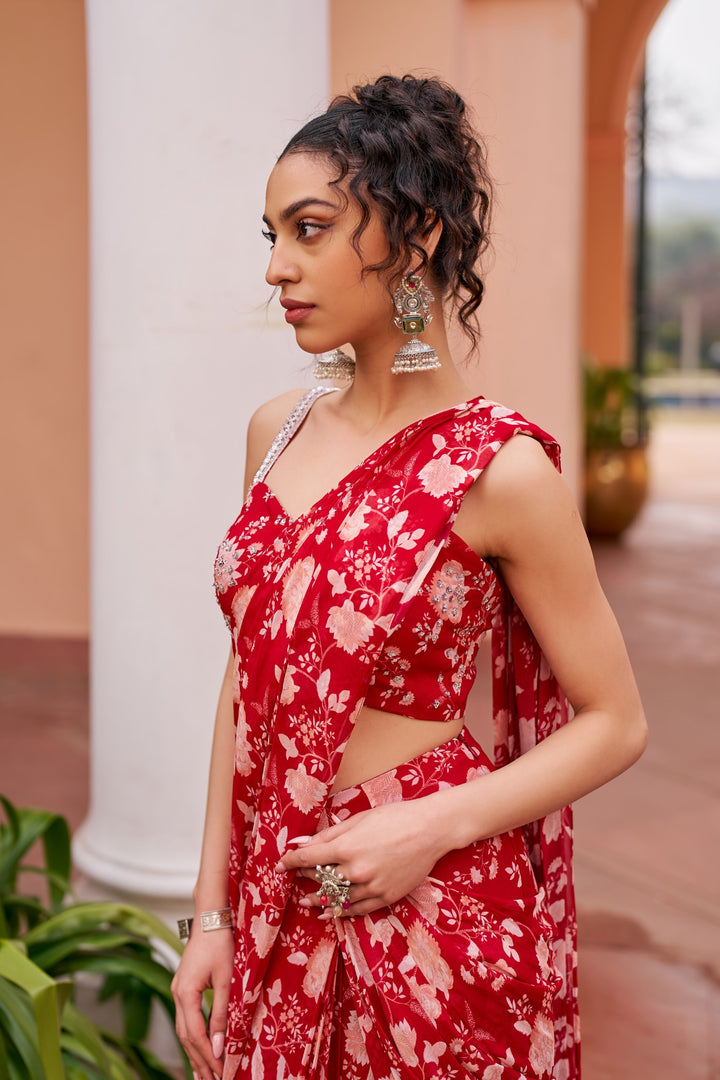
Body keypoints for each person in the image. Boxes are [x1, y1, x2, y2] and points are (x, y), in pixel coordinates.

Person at [171, 75, 647, 1080]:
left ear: (417, 234)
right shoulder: (278, 430)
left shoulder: (499, 468)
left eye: (308, 230)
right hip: (274, 902)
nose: (277, 268)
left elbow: (617, 720)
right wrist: (209, 911)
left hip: (428, 909)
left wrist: (429, 828)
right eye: (270, 235)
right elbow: (246, 679)